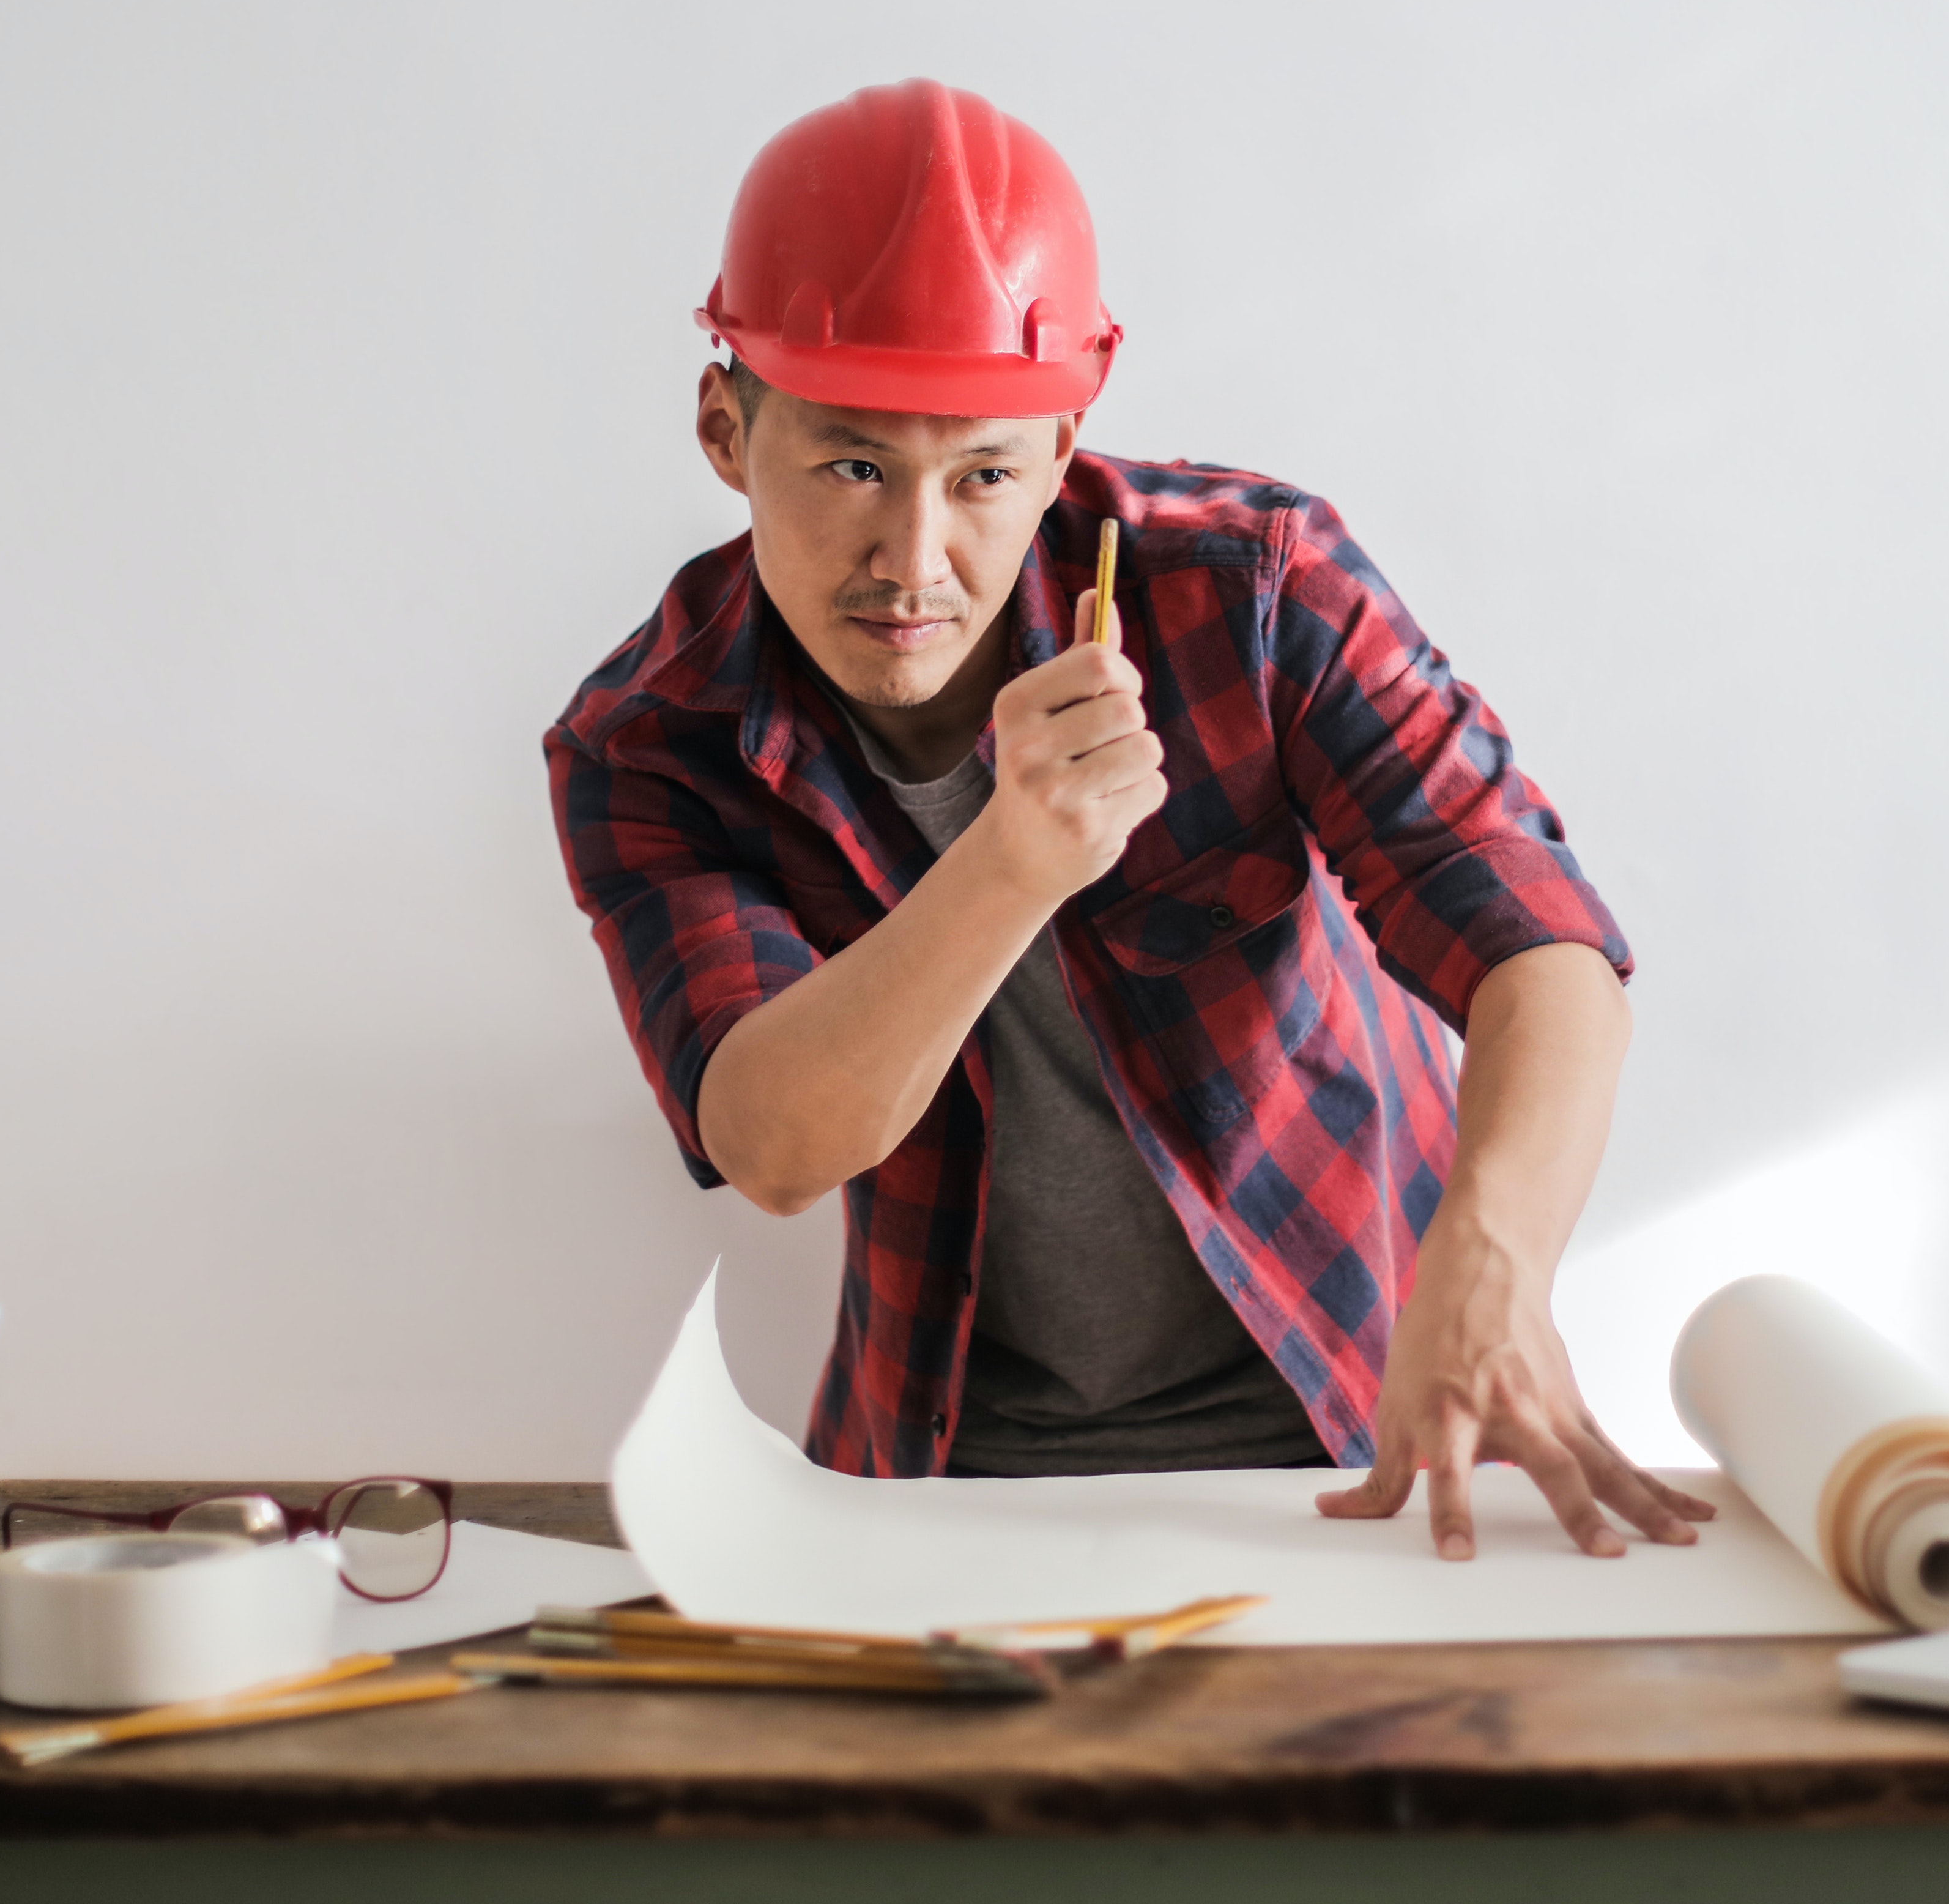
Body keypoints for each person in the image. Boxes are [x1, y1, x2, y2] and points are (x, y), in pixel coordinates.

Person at [548, 79, 1709, 1561]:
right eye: (852, 464)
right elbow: (775, 1144)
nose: (916, 559)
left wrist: (1497, 1259)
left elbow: (1537, 936)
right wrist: (1014, 859)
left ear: (1065, 437)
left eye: (982, 475)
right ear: (727, 424)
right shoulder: (651, 739)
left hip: (1357, 1430)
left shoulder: (1257, 589)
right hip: (950, 1468)